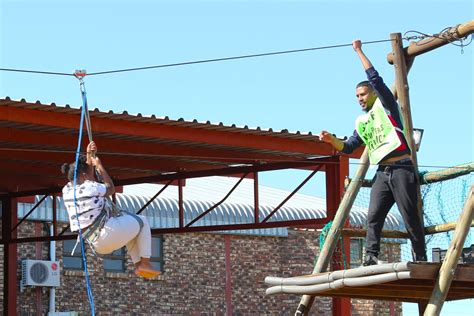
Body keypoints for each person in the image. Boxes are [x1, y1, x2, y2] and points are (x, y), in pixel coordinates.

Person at [319, 40, 427, 266]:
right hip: (382, 172)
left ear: (374, 94)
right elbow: (348, 147)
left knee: (410, 215)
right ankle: (370, 256)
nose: (360, 98)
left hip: (401, 168)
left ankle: (420, 257)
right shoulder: (361, 121)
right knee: (373, 217)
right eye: (357, 96)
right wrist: (332, 140)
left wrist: (359, 51)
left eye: (363, 94)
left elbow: (375, 78)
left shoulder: (385, 106)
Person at [61, 141, 161, 278]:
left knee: (131, 233)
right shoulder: (90, 188)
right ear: (83, 175)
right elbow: (110, 188)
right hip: (106, 234)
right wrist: (100, 166)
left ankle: (139, 266)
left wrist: (89, 154)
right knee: (142, 222)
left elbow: (88, 176)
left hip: (96, 243)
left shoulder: (66, 190)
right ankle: (145, 262)